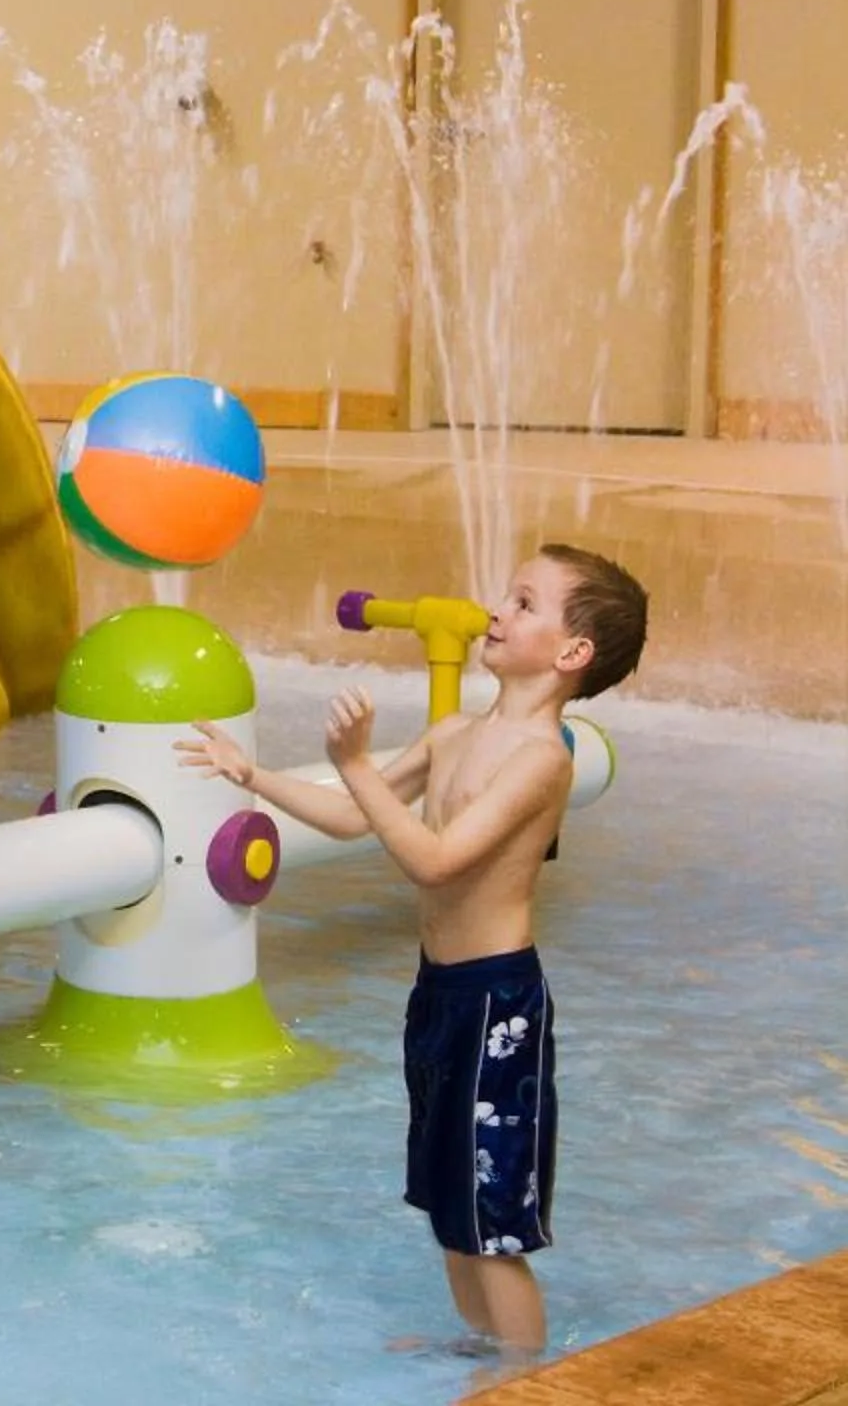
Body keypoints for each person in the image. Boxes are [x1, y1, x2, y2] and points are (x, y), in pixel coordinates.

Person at [179, 543, 648, 1361]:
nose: (498, 611)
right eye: (508, 596)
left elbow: (434, 860)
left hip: (497, 1005)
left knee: (491, 1226)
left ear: (573, 653)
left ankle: (527, 1378)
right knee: (449, 1205)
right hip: (441, 992)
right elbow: (351, 817)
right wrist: (251, 774)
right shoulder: (455, 733)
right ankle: (483, 1350)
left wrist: (353, 763)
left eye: (525, 604)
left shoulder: (543, 760)